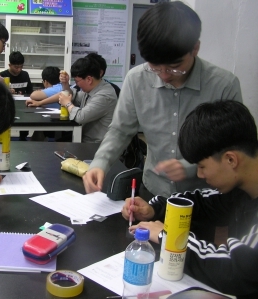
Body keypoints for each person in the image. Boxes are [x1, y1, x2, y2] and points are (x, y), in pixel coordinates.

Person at [83, 1, 242, 199]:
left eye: (175, 67)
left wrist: (191, 167)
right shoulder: (137, 79)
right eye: (155, 67)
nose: (165, 75)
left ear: (195, 48)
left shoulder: (223, 85)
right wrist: (100, 163)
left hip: (204, 198)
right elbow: (120, 130)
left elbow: (235, 149)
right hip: (152, 191)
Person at [123, 100, 258, 298]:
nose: (200, 175)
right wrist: (154, 209)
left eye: (202, 166)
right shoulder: (242, 188)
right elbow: (203, 202)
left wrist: (166, 237)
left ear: (231, 159)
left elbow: (238, 271)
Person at [58, 57, 117, 143]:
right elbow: (75, 97)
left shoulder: (105, 95)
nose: (76, 84)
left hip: (97, 145)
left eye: (77, 81)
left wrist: (67, 104)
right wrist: (65, 84)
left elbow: (80, 117)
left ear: (89, 79)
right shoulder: (92, 88)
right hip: (84, 138)